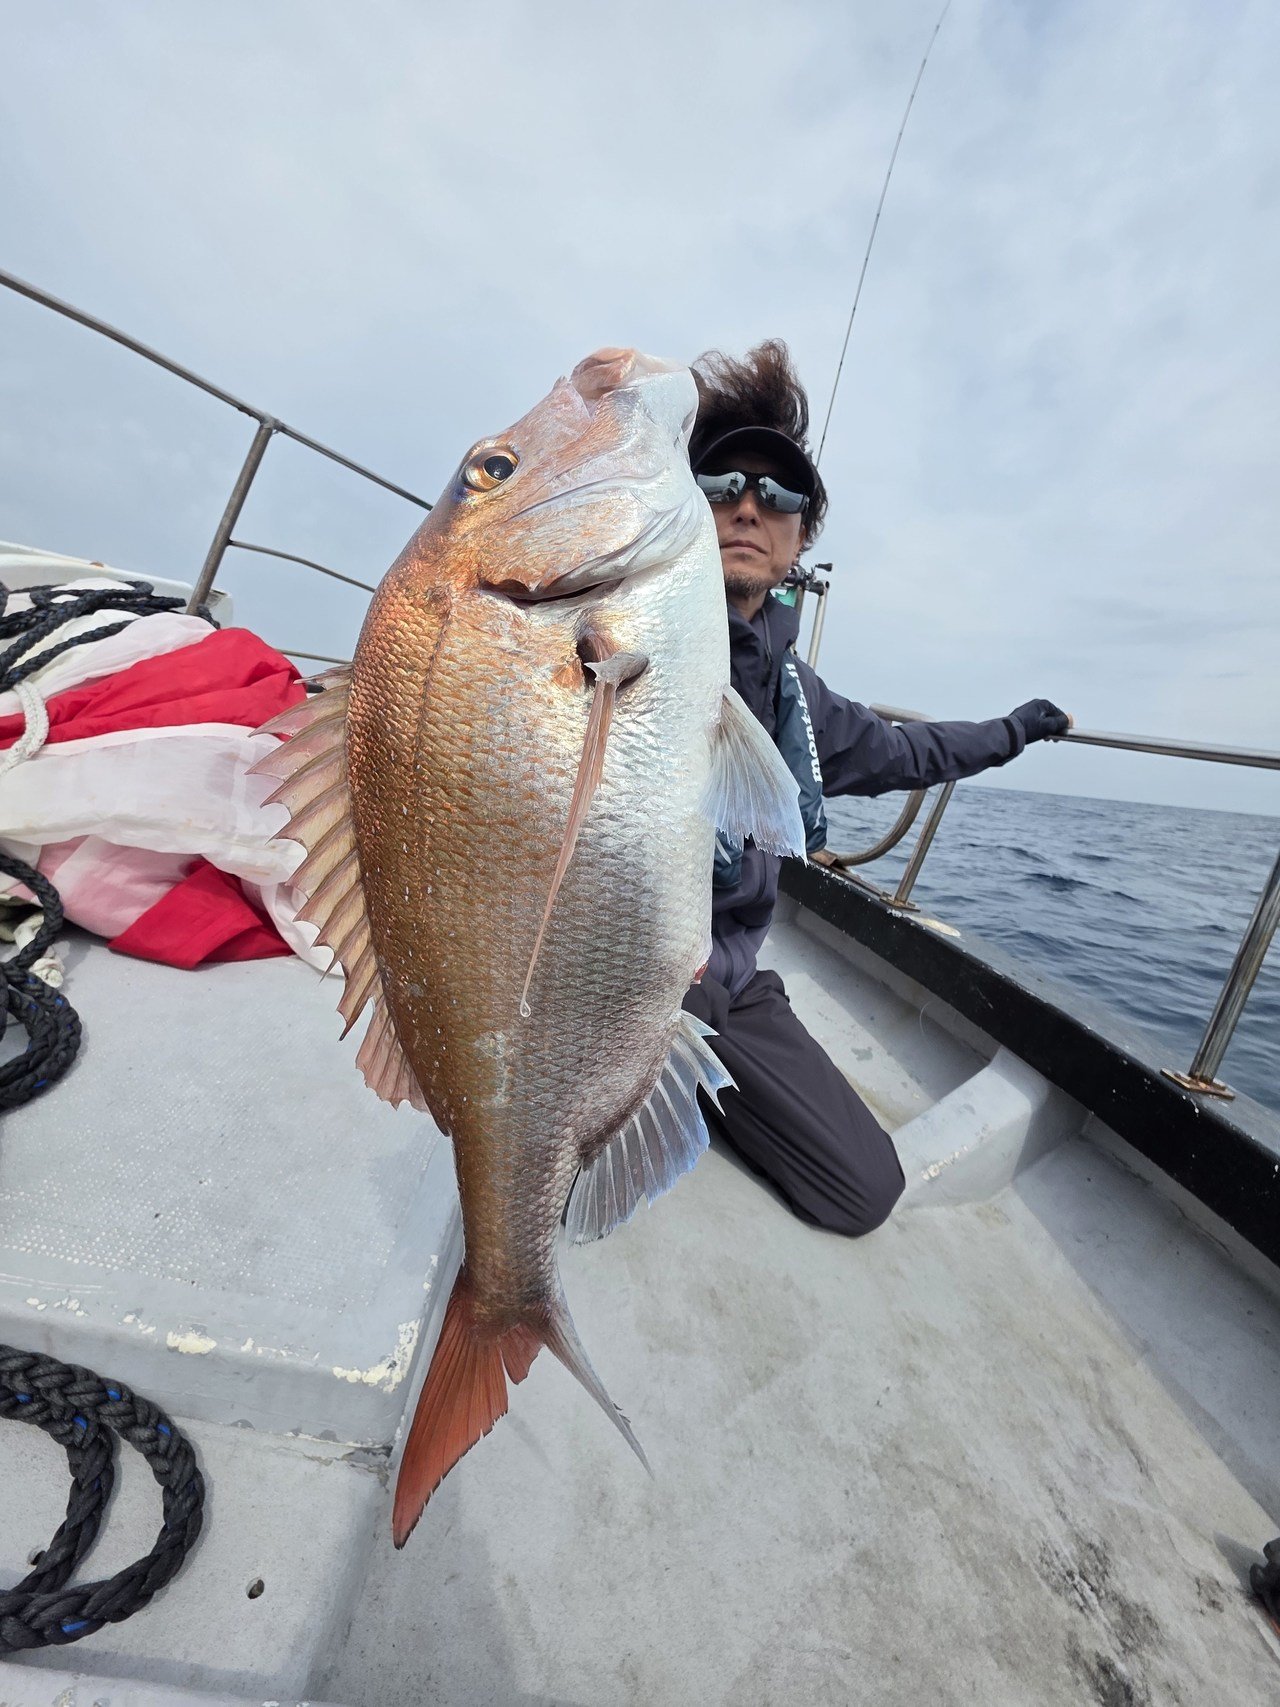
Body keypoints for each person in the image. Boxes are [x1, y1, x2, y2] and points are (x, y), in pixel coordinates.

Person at [682, 340, 1071, 1238]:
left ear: (802, 538)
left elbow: (905, 750)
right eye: (722, 483)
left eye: (779, 494)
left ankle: (708, 1062)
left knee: (862, 1189)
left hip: (726, 983)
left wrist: (1014, 730)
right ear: (684, 503)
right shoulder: (622, 638)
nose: (749, 505)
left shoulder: (796, 700)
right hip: (613, 966)